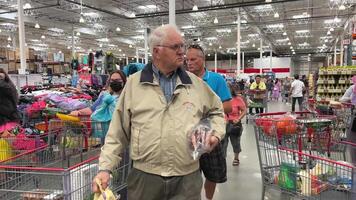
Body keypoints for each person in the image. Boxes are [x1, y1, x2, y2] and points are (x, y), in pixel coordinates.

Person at [93, 24, 225, 200]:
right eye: (175, 47)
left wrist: (214, 134)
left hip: (187, 178)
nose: (182, 52)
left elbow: (217, 111)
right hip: (145, 178)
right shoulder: (133, 84)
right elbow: (117, 132)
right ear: (156, 52)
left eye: (182, 46)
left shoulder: (196, 84)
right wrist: (105, 168)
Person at [186, 44, 232, 200]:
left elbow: (228, 106)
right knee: (190, 174)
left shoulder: (216, 79)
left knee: (213, 175)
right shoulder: (183, 80)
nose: (189, 62)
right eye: (187, 60)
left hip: (211, 135)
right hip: (189, 136)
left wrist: (204, 110)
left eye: (193, 59)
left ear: (203, 59)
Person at [222, 83, 247, 166]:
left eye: (228, 88)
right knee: (223, 143)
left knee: (235, 142)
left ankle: (236, 158)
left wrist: (238, 118)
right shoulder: (219, 99)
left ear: (231, 90)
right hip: (223, 124)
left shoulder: (238, 99)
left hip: (234, 124)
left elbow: (244, 110)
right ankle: (222, 159)